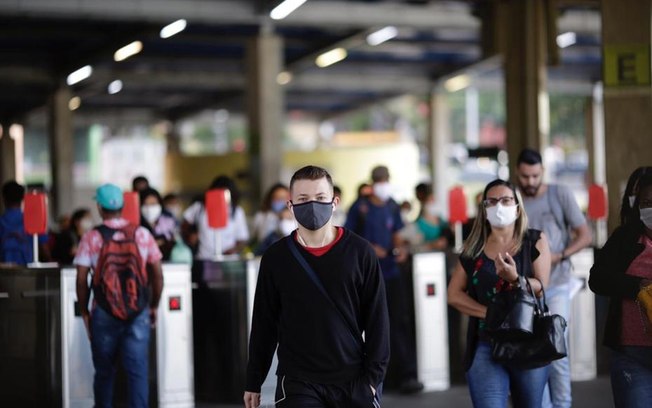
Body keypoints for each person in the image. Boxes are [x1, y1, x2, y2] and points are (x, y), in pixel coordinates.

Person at [244, 165, 389, 408]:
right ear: (290, 206)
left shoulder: (360, 252)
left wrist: (372, 381)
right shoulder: (276, 258)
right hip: (298, 381)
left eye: (320, 198)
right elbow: (264, 323)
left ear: (334, 202)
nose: (312, 204)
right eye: (303, 199)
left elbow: (378, 321)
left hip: (353, 380)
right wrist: (253, 380)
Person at [447, 178, 552, 407]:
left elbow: (542, 288)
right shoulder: (472, 249)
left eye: (506, 200)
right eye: (492, 202)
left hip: (529, 340)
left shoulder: (535, 240)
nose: (499, 207)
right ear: (484, 209)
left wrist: (516, 279)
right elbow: (454, 294)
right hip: (486, 343)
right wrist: (488, 313)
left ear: (517, 206)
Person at [74, 183, 163, 408]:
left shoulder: (91, 237)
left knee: (104, 372)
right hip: (138, 311)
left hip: (103, 312)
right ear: (123, 206)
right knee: (137, 373)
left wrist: (84, 310)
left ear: (99, 207)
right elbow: (157, 275)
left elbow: (81, 278)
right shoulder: (142, 234)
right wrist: (152, 305)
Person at [515, 148, 592, 408]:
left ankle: (562, 405)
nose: (530, 182)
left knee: (555, 349)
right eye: (525, 176)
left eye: (535, 176)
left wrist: (559, 255)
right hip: (524, 290)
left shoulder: (560, 194)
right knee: (531, 356)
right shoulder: (513, 199)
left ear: (542, 172)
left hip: (556, 286)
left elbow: (584, 234)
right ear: (517, 172)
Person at [345, 165, 423, 394]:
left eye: (385, 179)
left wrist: (399, 250)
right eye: (379, 180)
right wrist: (370, 249)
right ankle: (370, 378)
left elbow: (397, 233)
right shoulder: (360, 208)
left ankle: (406, 375)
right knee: (369, 325)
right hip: (366, 276)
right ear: (372, 182)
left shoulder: (391, 206)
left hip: (391, 273)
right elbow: (349, 236)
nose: (382, 184)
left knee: (399, 323)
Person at [589, 171, 652, 407]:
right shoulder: (624, 239)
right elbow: (597, 279)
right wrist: (637, 286)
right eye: (647, 203)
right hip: (631, 356)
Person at [181, 175, 250, 260]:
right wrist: (191, 235)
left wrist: (232, 250)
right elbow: (184, 225)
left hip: (228, 260)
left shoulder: (237, 212)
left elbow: (242, 239)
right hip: (204, 258)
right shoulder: (200, 208)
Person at [0, 180, 49, 265]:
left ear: (3, 198)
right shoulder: (32, 220)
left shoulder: (1, 221)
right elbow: (44, 248)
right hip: (27, 271)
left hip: (3, 271)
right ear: (23, 198)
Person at [139, 188, 178, 261]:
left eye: (153, 204)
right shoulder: (137, 225)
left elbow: (174, 240)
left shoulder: (169, 221)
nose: (149, 208)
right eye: (146, 204)